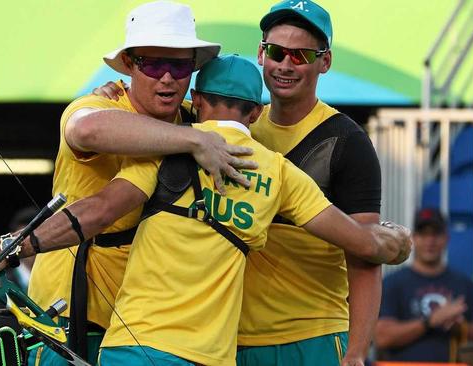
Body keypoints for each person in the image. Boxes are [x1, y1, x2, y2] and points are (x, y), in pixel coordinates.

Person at [0, 55, 412, 366]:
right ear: (257, 114)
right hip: (212, 356)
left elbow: (93, 214)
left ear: (196, 102)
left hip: (135, 347)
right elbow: (362, 244)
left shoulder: (162, 153)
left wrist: (5, 248)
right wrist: (397, 241)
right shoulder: (282, 174)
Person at [94, 2, 384, 364]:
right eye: (277, 52)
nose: (286, 65)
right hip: (233, 341)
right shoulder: (227, 125)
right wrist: (117, 94)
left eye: (301, 55)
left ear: (324, 62)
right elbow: (151, 108)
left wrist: (357, 352)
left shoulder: (346, 142)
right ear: (262, 54)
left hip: (312, 335)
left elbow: (367, 254)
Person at [20, 1, 253, 364]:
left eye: (179, 65)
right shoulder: (99, 106)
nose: (167, 78)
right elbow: (86, 129)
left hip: (145, 323)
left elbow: (253, 130)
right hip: (68, 309)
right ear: (129, 64)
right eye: (154, 63)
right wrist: (192, 139)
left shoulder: (196, 121)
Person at [375, 207, 473, 362]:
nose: (430, 241)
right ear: (414, 238)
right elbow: (382, 337)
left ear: (446, 238)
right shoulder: (393, 283)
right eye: (423, 234)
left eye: (436, 234)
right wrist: (431, 321)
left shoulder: (465, 284)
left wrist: (460, 326)